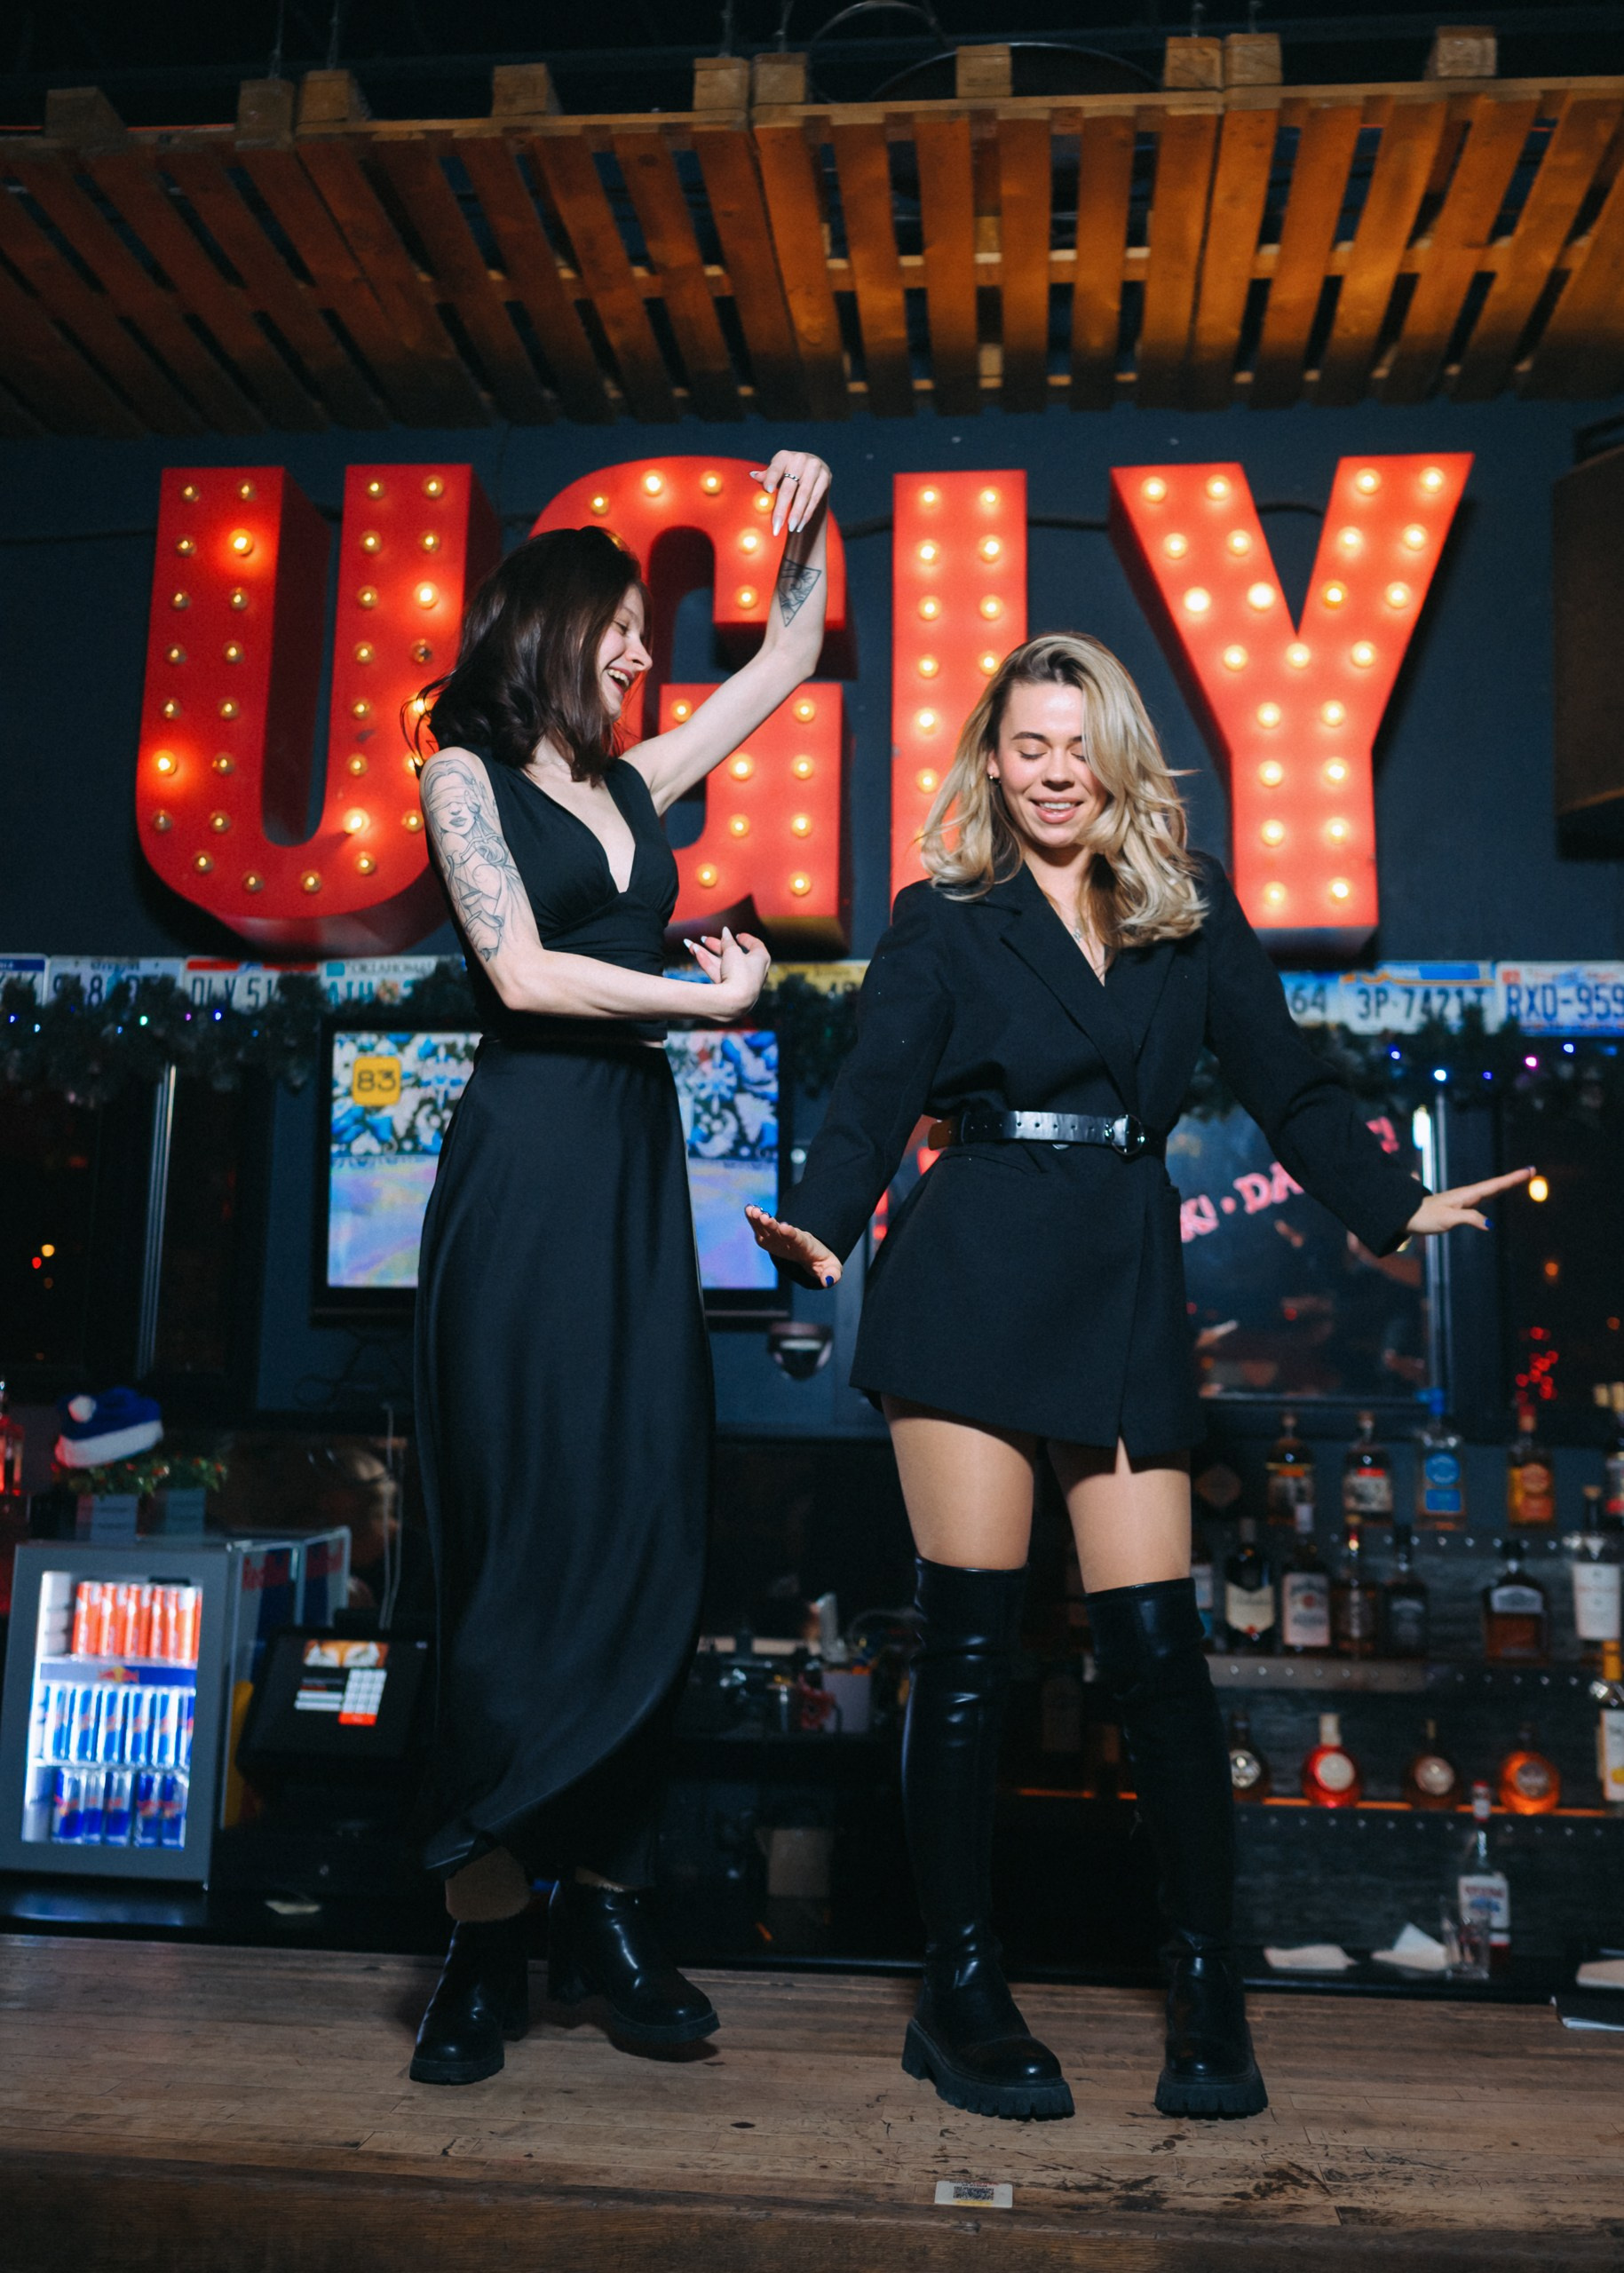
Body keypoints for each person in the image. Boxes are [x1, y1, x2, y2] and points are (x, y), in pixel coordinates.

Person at [747, 633, 1531, 2122]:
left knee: (1158, 1659)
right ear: (991, 763)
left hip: (1117, 1275)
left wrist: (1389, 1200)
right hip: (970, 1271)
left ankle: (1206, 1990)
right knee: (966, 1651)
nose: (1053, 773)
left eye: (1076, 745)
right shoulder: (941, 915)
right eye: (1026, 746)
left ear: (1114, 758)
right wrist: (824, 1222)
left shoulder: (1188, 906)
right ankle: (958, 1991)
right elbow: (873, 1088)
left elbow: (1285, 1075)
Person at [408, 448, 833, 2086]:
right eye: (627, 632)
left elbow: (787, 658)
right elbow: (520, 973)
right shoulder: (463, 774)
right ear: (556, 626)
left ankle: (603, 1906)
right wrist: (701, 1002)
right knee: (514, 1536)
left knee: (642, 1523)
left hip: (631, 1177)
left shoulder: (638, 783)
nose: (647, 657)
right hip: (524, 1169)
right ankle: (482, 1930)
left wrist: (806, 529)